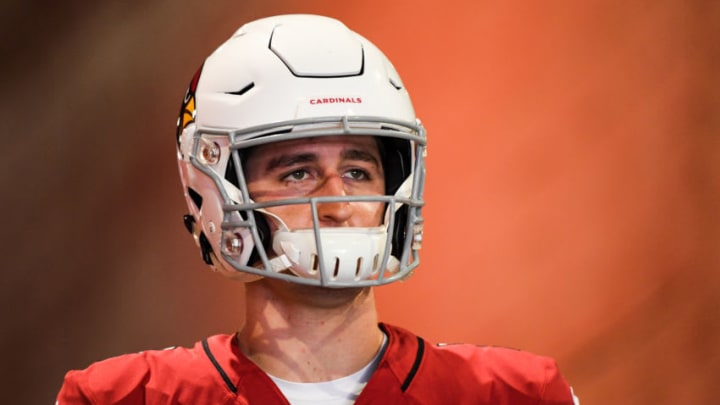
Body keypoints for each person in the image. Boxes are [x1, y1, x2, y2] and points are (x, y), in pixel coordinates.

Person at [57, 14, 579, 404]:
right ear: (219, 192)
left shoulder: (513, 395)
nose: (339, 202)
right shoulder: (125, 397)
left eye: (358, 171)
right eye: (298, 172)